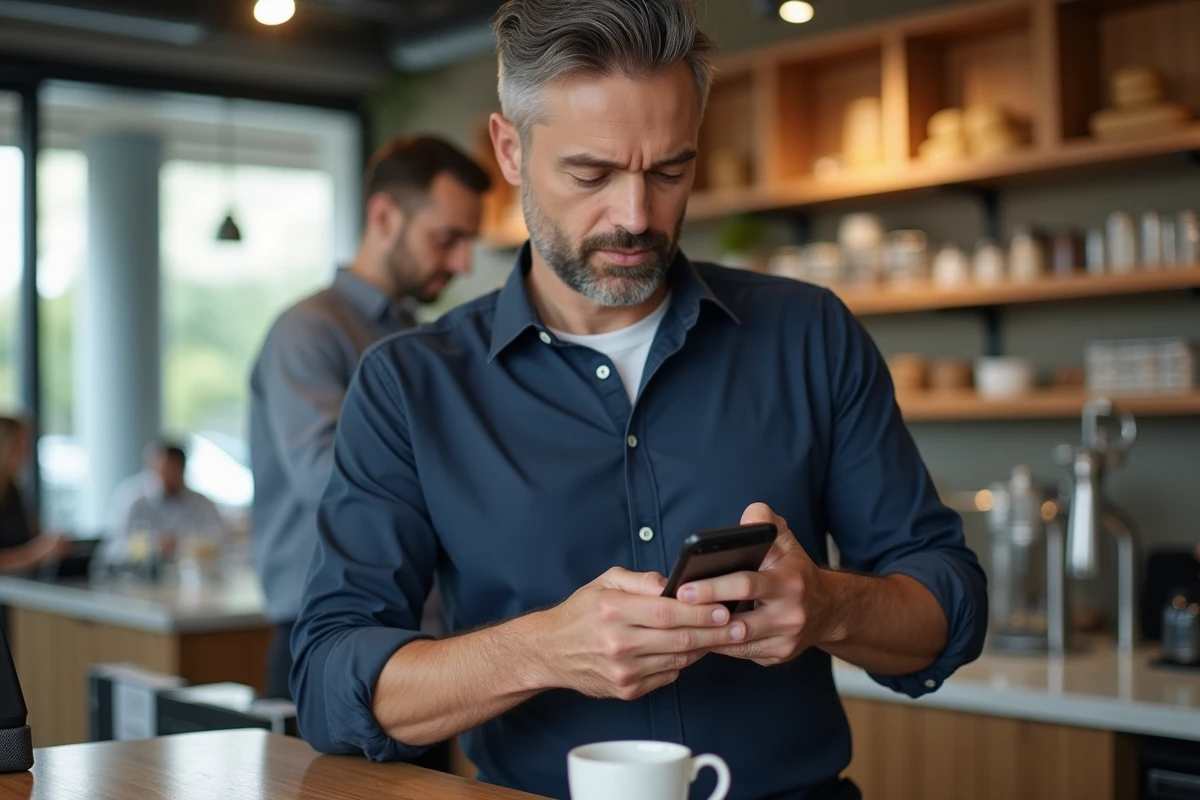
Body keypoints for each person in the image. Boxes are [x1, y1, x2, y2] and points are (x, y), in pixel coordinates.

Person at [290, 2, 988, 798]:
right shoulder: (409, 385)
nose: (634, 216)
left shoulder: (810, 333)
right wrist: (541, 649)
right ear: (510, 149)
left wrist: (827, 606)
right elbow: (327, 682)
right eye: (591, 174)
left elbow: (948, 604)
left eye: (669, 171)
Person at [249, 135, 489, 703]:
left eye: (469, 242)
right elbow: (331, 480)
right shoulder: (308, 331)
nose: (463, 263)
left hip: (425, 643)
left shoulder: (424, 341)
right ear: (384, 216)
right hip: (325, 643)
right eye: (447, 239)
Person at [103, 441, 230, 565]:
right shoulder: (131, 498)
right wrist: (153, 545)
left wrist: (188, 544)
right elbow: (112, 550)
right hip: (138, 579)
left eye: (174, 470)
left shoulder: (200, 503)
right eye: (162, 470)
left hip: (189, 579)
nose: (168, 476)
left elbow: (224, 543)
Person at [0, 417, 67, 574]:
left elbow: (30, 537)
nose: (25, 456)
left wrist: (48, 543)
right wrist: (37, 553)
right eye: (18, 447)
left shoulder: (14, 491)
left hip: (20, 589)